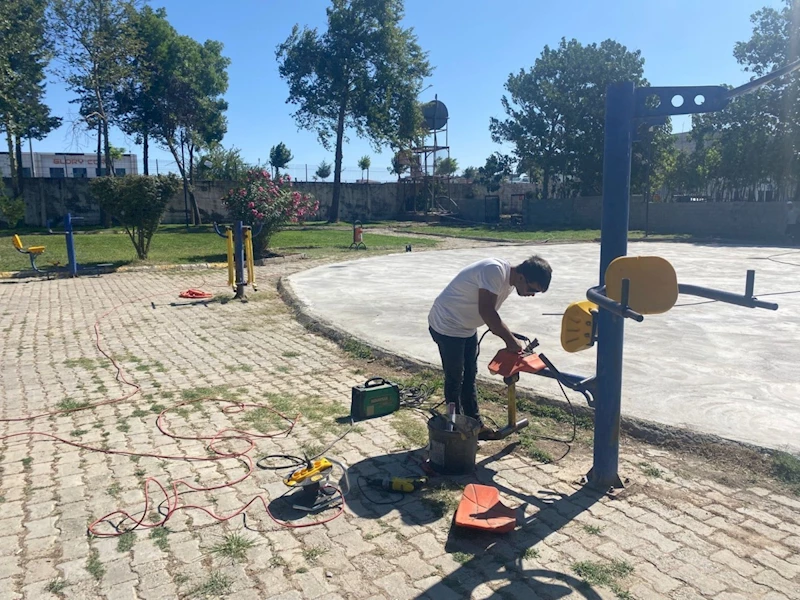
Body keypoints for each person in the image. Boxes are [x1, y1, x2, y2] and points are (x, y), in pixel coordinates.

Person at [428, 255, 552, 430]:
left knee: (470, 375)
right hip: (446, 324)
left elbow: (490, 313)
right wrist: (512, 341)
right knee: (455, 378)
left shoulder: (508, 281)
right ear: (522, 277)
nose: (532, 295)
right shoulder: (494, 271)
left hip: (466, 328)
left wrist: (511, 340)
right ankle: (453, 428)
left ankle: (475, 426)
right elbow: (487, 312)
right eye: (533, 290)